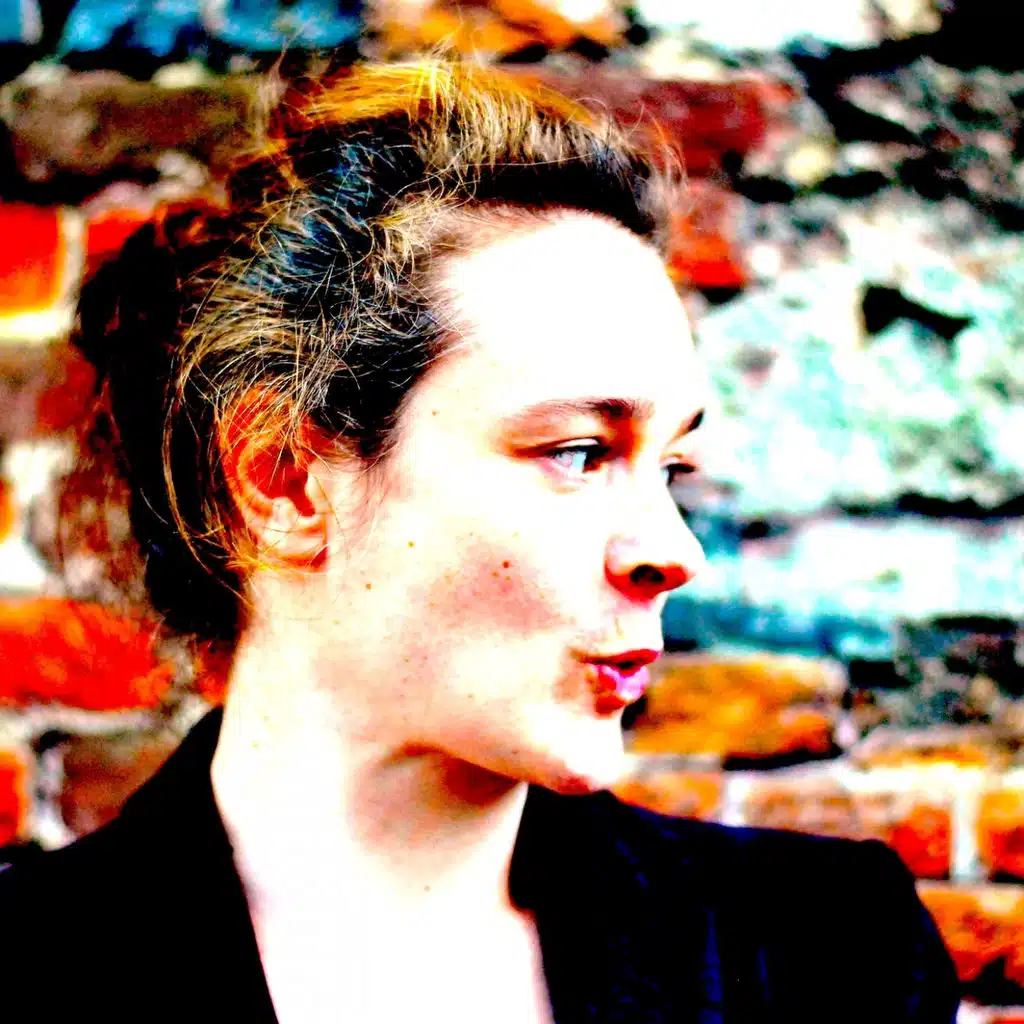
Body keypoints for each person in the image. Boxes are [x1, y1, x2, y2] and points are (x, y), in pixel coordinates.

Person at [0, 60, 958, 1023]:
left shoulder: (828, 957)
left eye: (671, 467)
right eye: (579, 452)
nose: (674, 554)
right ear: (285, 481)